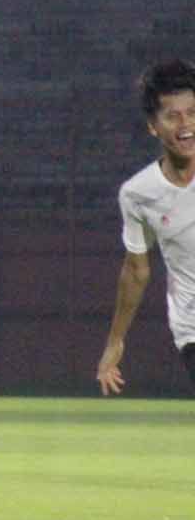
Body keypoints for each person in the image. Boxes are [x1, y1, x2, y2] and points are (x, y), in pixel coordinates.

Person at [96, 58, 195, 395]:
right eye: (173, 116)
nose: (186, 125)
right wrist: (116, 341)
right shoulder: (138, 194)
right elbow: (137, 271)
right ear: (153, 126)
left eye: (193, 112)